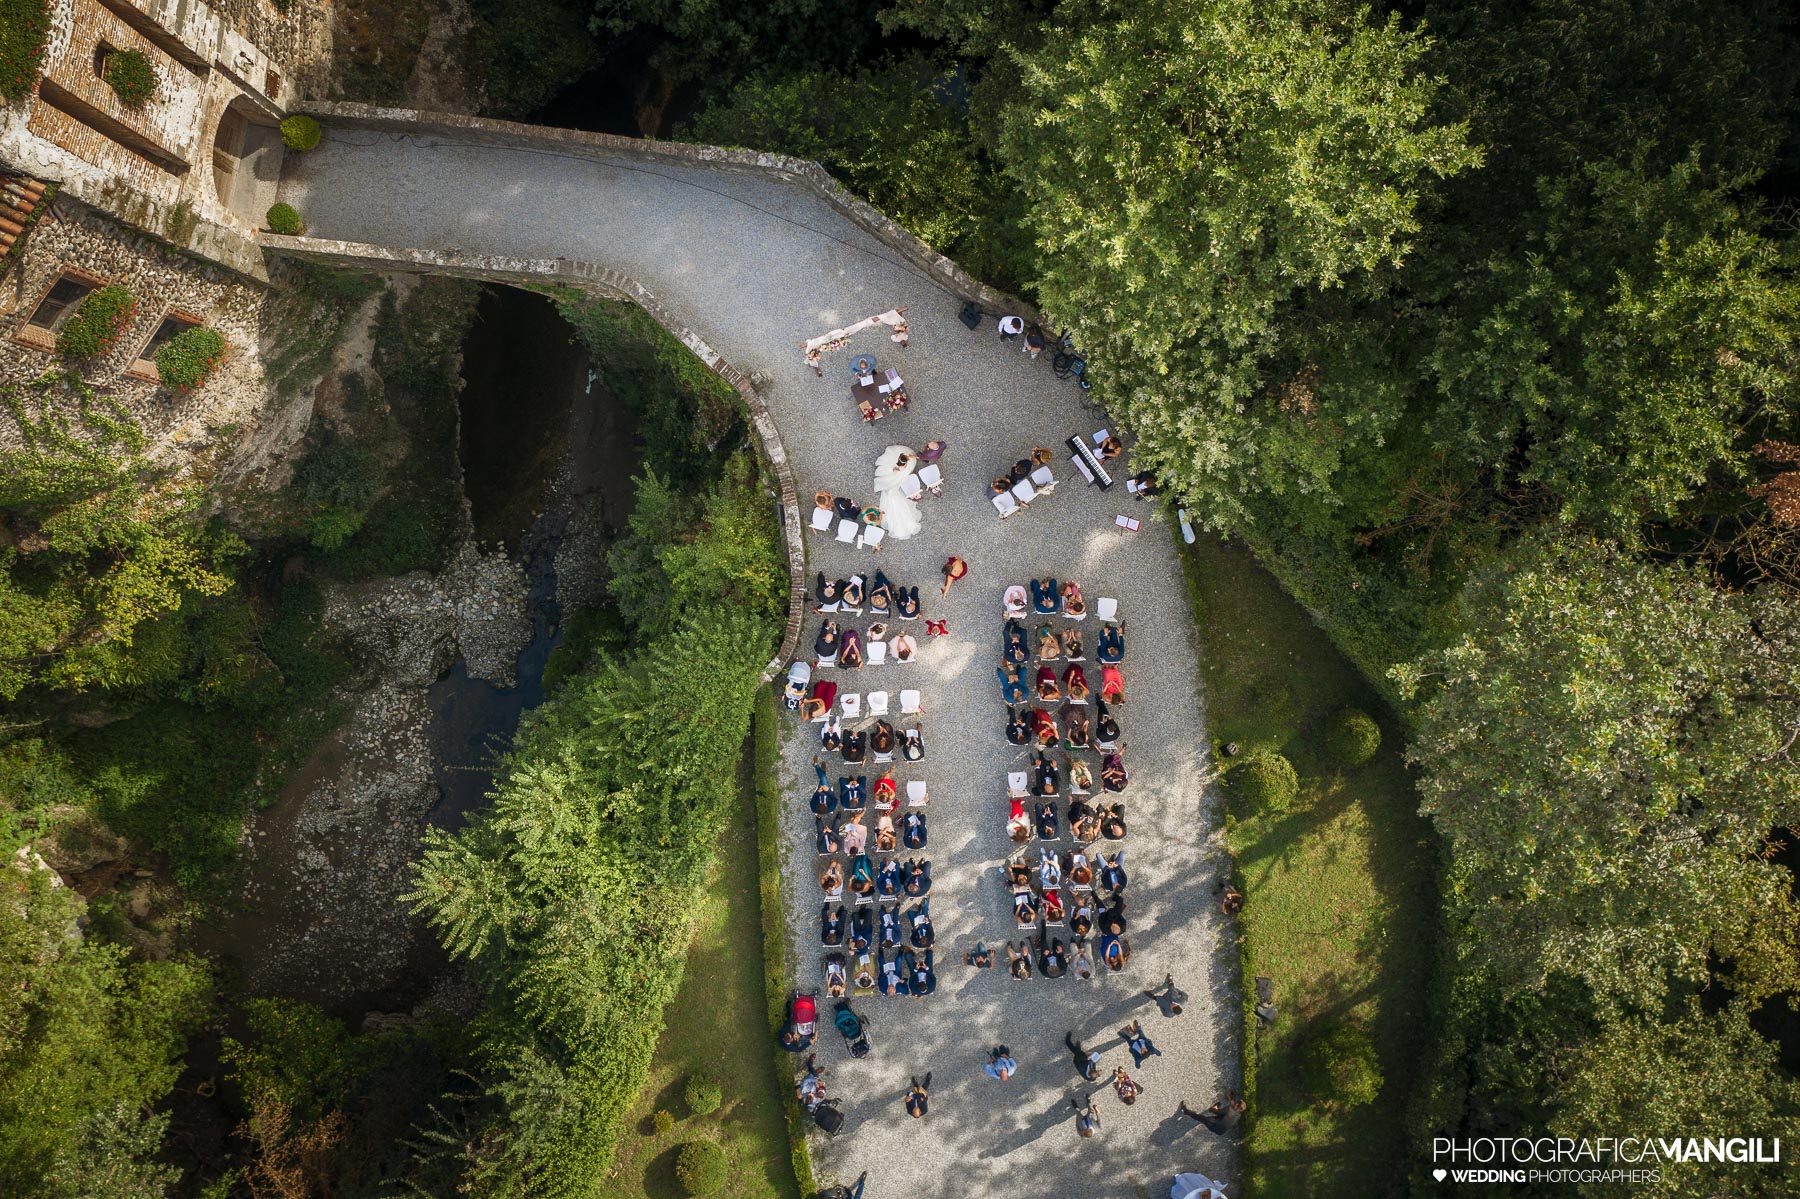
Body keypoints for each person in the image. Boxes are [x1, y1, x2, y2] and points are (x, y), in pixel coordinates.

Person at [1180, 1091, 1246, 1135]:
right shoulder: (1238, 1115)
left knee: (1201, 1118)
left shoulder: (1229, 1109)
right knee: (1221, 1115)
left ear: (1237, 1105)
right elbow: (1227, 1116)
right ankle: (1215, 1107)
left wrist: (1214, 1109)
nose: (1235, 1102)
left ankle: (1185, 1111)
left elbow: (1216, 1112)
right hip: (1220, 1131)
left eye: (1236, 1103)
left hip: (1213, 1125)